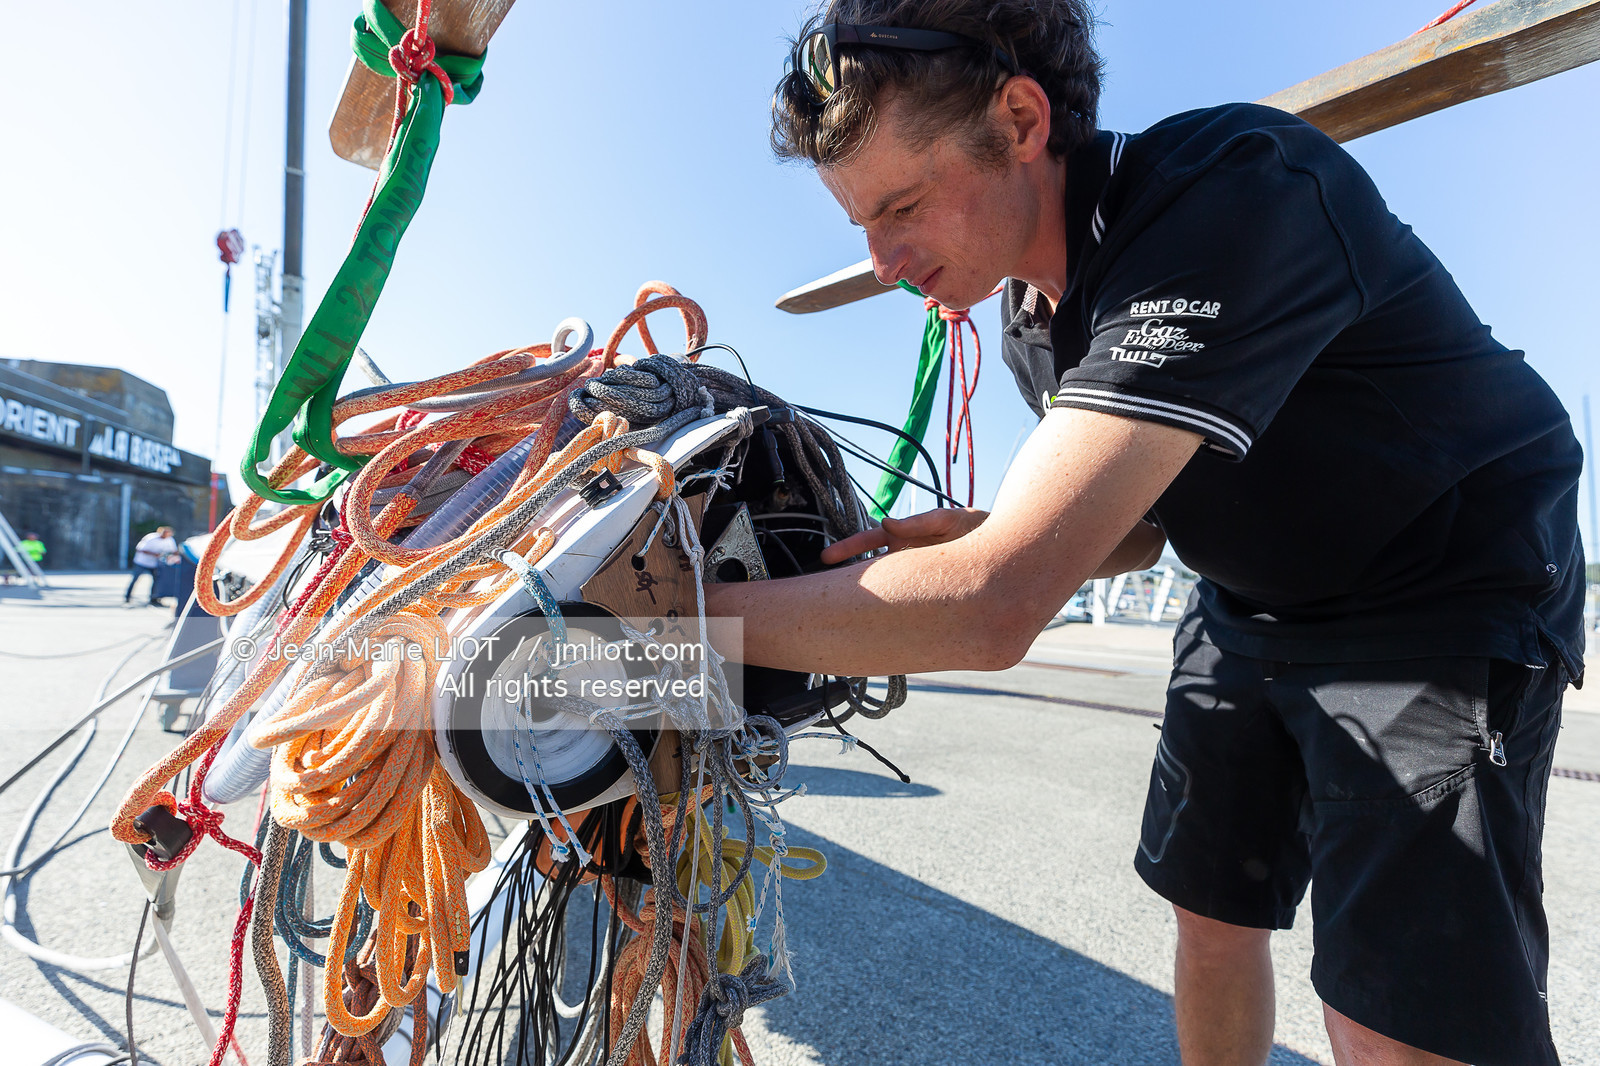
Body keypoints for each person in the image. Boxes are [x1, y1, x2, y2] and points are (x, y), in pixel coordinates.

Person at [705, 3, 1584, 1064]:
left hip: (1434, 584)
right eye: (860, 227)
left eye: (901, 205)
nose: (885, 261)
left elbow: (994, 609)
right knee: (1210, 917)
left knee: (1388, 1015)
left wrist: (642, 635)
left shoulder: (1230, 192)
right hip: (1246, 600)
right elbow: (1144, 528)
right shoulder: (1033, 315)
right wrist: (986, 531)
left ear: (1022, 119)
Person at [126, 525, 178, 607]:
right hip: (142, 562)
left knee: (156, 581)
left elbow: (174, 551)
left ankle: (153, 598)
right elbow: (140, 549)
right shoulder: (151, 538)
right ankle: (127, 597)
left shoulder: (170, 540)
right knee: (135, 579)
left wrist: (174, 557)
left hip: (154, 564)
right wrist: (154, 554)